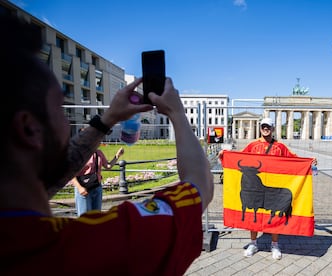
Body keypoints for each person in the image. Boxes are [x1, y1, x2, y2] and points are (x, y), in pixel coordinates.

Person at [0, 13, 213, 275]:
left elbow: (43, 180)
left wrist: (108, 119)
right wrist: (177, 114)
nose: (69, 124)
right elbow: (199, 185)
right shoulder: (97, 245)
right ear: (28, 128)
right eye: (61, 108)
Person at [219, 117, 317, 260]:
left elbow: (293, 159)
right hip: (255, 190)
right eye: (263, 126)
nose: (266, 129)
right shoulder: (252, 146)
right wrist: (225, 156)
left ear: (272, 129)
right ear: (260, 128)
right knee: (254, 213)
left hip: (271, 189)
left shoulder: (280, 147)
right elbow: (239, 157)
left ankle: (275, 244)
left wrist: (308, 162)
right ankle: (253, 243)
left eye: (268, 127)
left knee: (275, 213)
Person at [72, 146, 124, 216]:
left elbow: (108, 166)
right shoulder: (79, 154)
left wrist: (117, 156)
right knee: (84, 218)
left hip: (96, 187)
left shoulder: (98, 153)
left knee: (96, 217)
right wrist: (79, 188)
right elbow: (70, 173)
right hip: (83, 189)